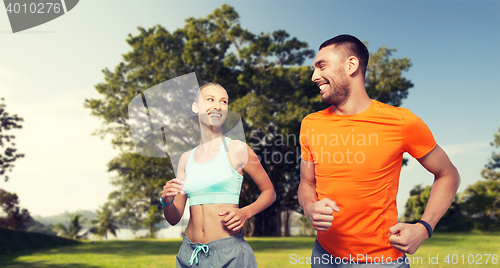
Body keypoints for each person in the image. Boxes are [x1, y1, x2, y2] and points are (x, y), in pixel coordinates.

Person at [298, 34, 461, 267]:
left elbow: (449, 175)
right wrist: (309, 207)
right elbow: (306, 183)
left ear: (351, 65)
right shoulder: (310, 124)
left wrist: (424, 227)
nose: (314, 76)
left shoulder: (402, 122)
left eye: (321, 66)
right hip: (324, 256)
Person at [161, 82, 276, 267]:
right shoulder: (185, 159)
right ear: (195, 107)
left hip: (229, 254)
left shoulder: (238, 149)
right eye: (210, 100)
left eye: (223, 101)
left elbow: (269, 192)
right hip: (189, 255)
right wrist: (166, 201)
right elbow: (174, 218)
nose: (217, 106)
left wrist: (245, 213)